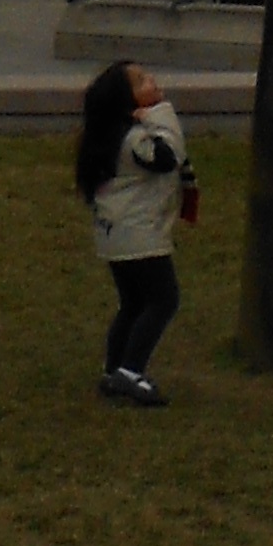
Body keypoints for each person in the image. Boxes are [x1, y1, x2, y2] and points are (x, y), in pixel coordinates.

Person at [74, 55, 192, 408]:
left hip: (116, 235)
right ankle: (131, 370)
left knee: (133, 303)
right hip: (139, 235)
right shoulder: (137, 141)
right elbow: (169, 156)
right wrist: (161, 115)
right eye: (142, 81)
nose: (153, 80)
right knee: (163, 300)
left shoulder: (111, 138)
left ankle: (114, 370)